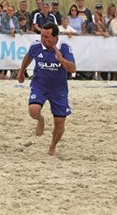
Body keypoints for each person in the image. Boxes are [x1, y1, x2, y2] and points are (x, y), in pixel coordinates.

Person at [17, 22, 76, 156]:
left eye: (47, 37)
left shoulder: (64, 48)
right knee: (33, 110)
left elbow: (72, 69)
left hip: (59, 89)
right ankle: (41, 120)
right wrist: (21, 72)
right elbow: (28, 57)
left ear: (56, 37)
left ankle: (52, 146)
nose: (44, 39)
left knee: (59, 123)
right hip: (40, 85)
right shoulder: (36, 46)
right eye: (42, 35)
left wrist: (61, 60)